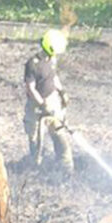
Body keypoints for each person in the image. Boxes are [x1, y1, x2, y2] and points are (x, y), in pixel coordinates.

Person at [23, 29, 73, 174]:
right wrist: (42, 104)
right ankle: (36, 165)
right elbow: (31, 88)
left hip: (52, 100)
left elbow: (53, 77)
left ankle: (65, 164)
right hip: (35, 106)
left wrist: (62, 92)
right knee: (35, 138)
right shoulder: (32, 64)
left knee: (59, 131)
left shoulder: (52, 60)